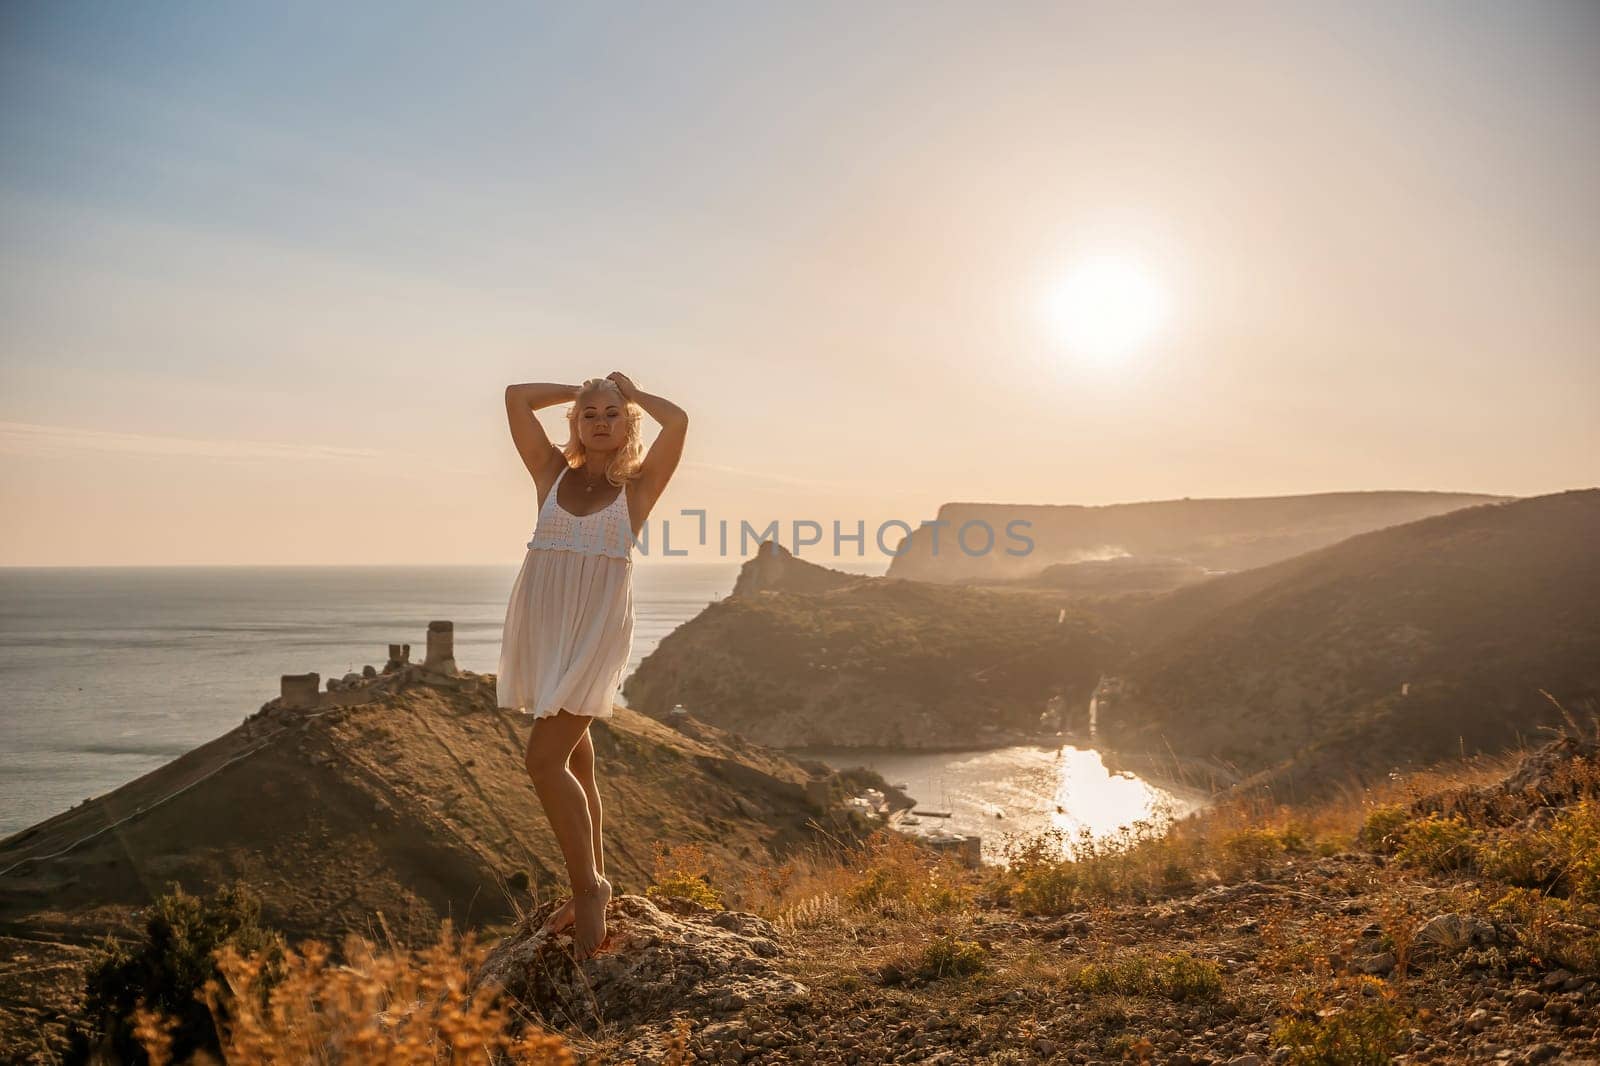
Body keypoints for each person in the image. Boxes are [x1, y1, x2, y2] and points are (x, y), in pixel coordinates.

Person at [497, 371, 688, 959]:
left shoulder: (639, 486)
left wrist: (632, 392)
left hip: (596, 633)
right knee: (576, 758)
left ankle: (589, 890)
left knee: (543, 758)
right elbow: (516, 398)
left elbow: (677, 421)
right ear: (575, 424)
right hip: (547, 627)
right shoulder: (551, 474)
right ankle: (594, 874)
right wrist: (578, 385)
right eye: (590, 414)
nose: (601, 420)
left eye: (613, 414)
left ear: (628, 424)